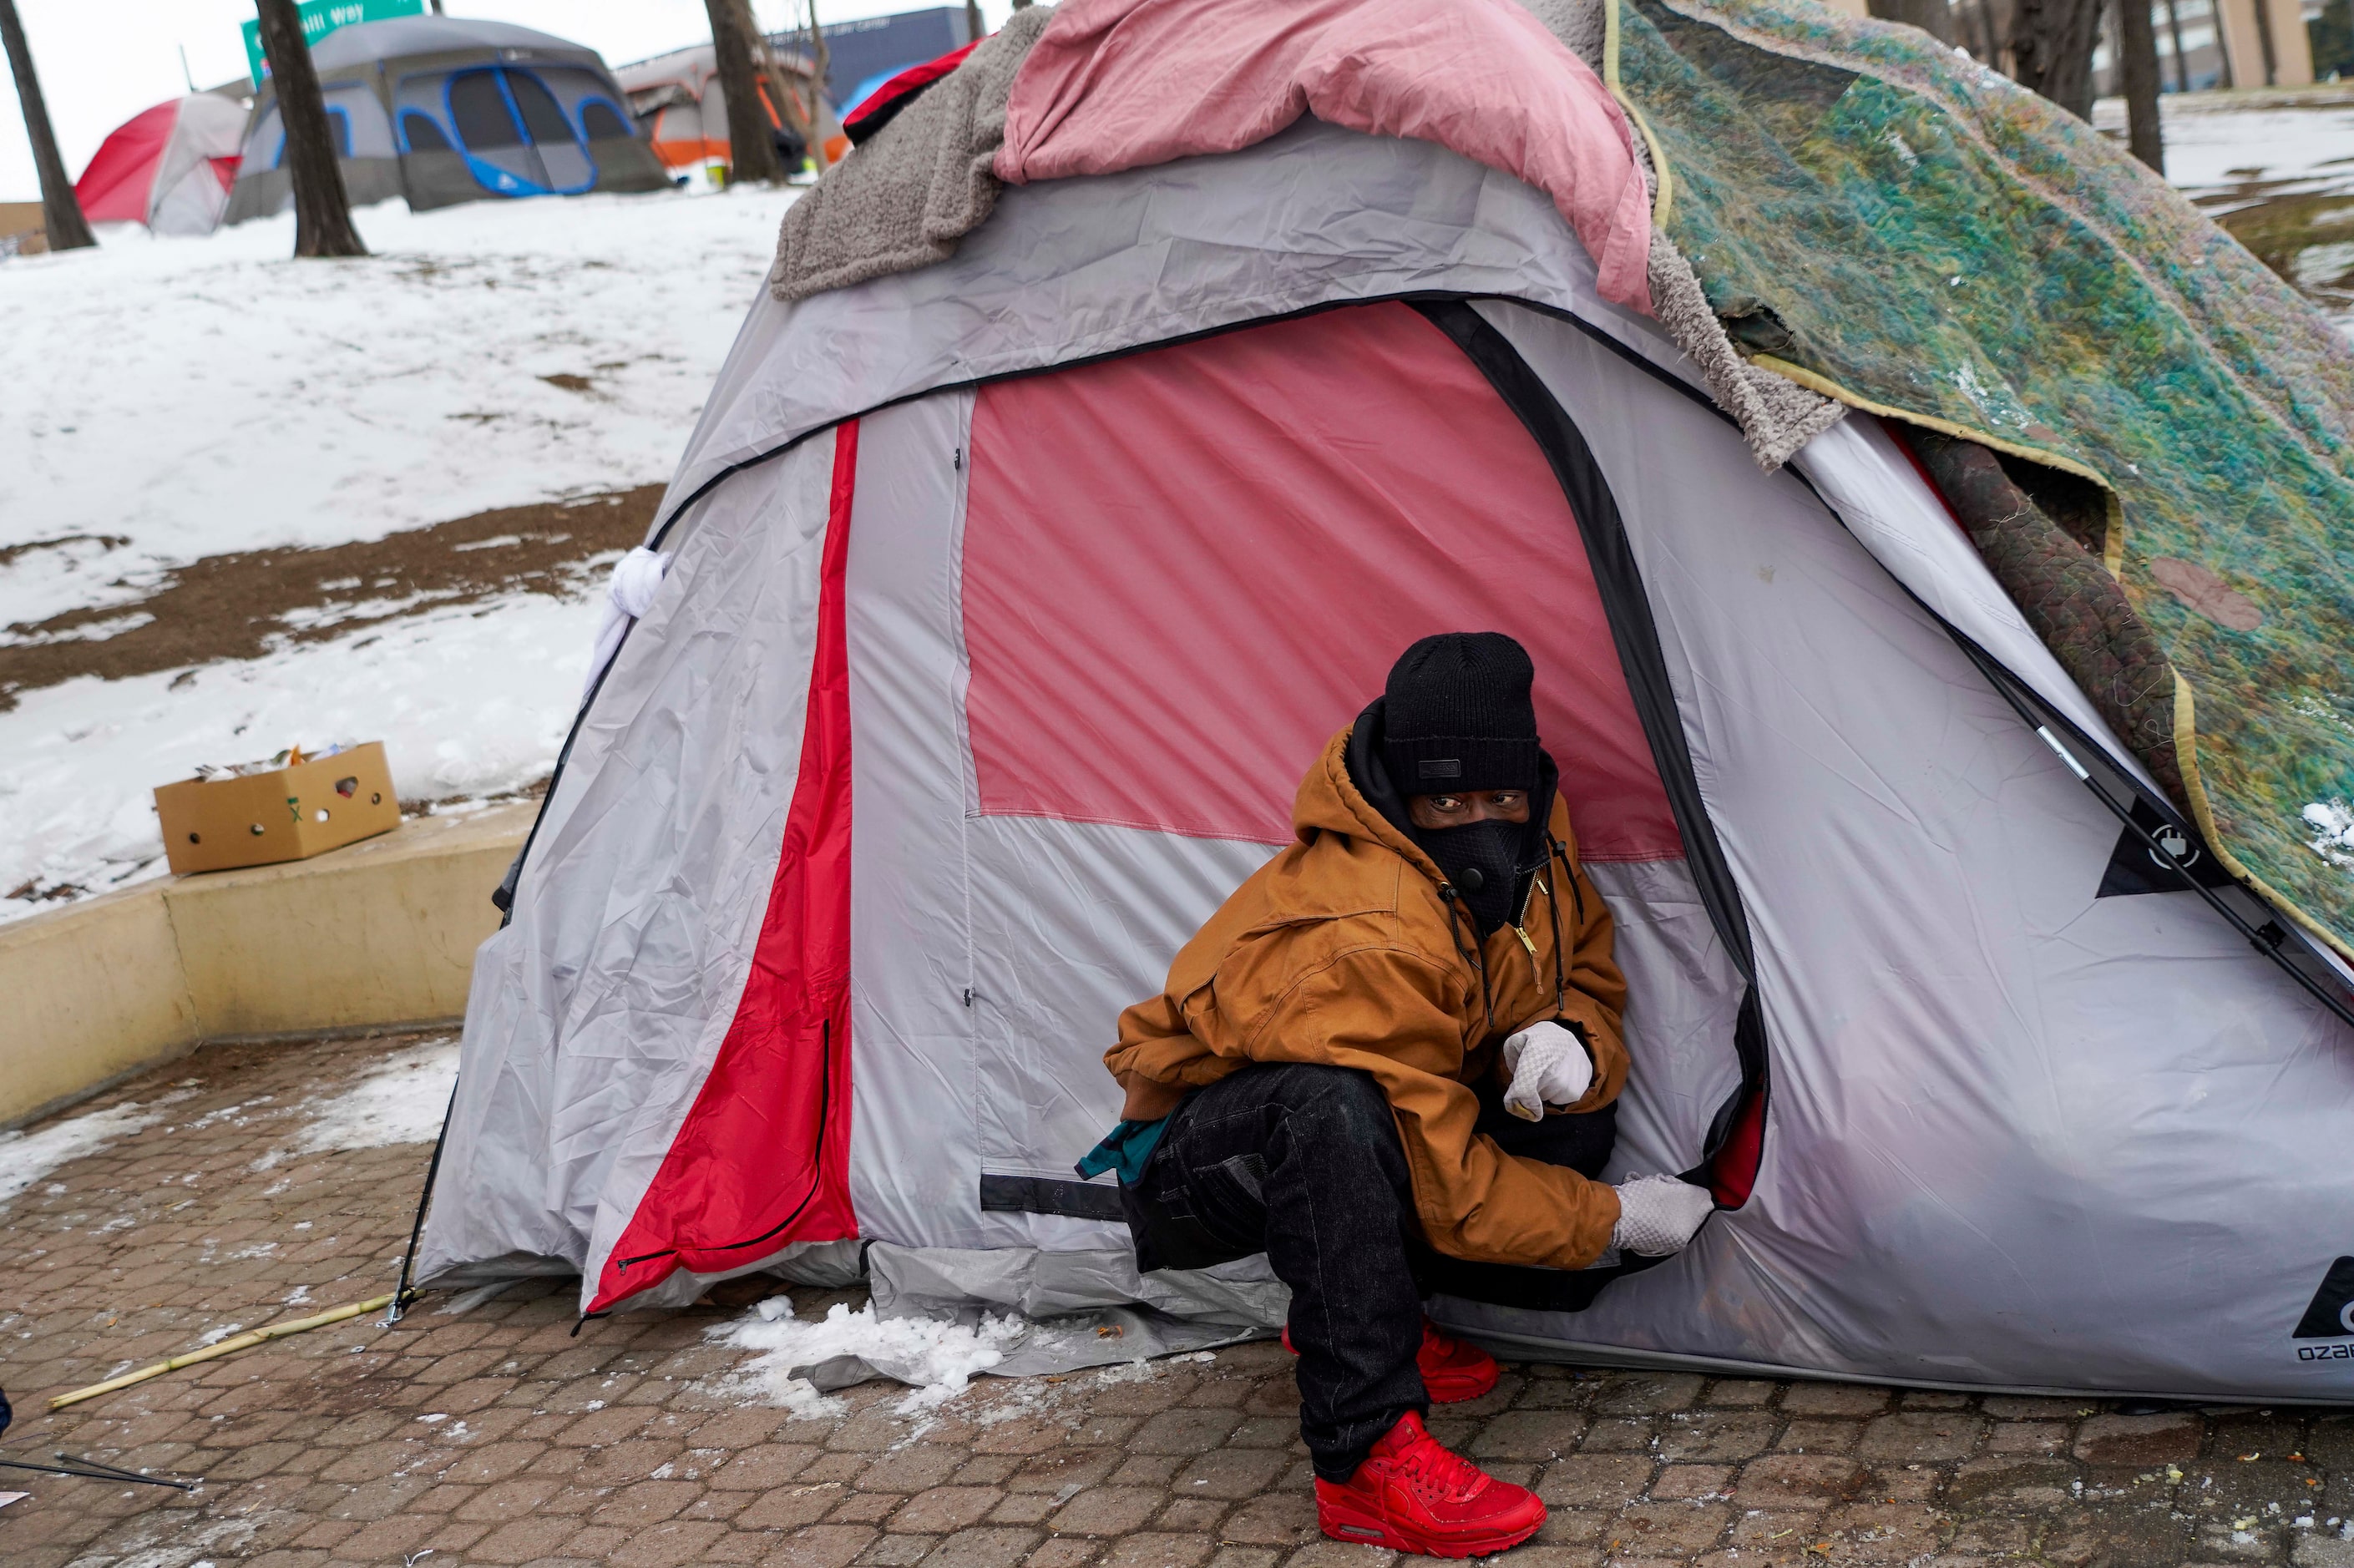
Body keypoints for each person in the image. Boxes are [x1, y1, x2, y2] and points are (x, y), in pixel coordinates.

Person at [1079, 631, 1717, 1558]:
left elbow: (1581, 959)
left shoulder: (1538, 832)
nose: (1478, 821)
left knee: (1560, 1112)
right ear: (1402, 794)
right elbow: (1443, 1184)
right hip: (1197, 1166)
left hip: (1377, 1113)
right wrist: (1610, 1217)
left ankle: (1374, 1316)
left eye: (1498, 796)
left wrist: (1571, 1041)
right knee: (1330, 1112)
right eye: (1444, 801)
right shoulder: (1372, 925)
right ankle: (1362, 1457)